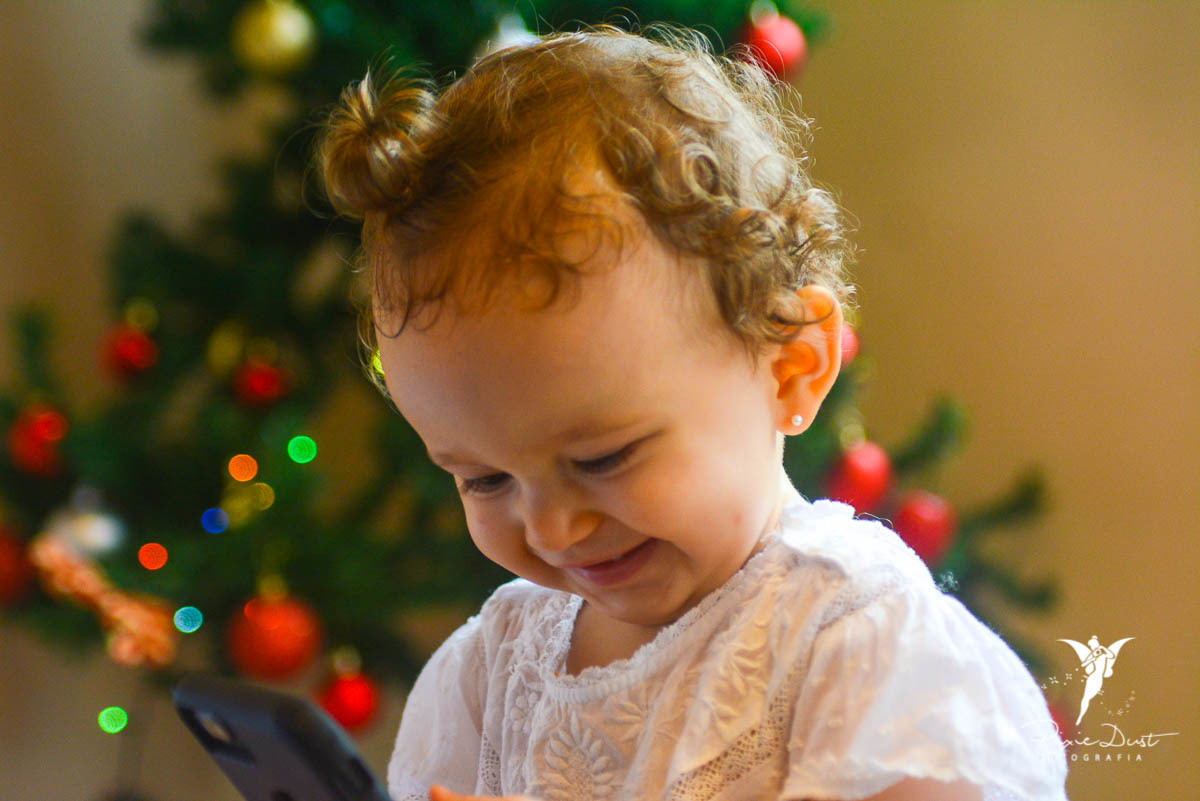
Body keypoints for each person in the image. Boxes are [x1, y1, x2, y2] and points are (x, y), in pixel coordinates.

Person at [318, 22, 1069, 801]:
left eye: (601, 458)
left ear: (792, 365)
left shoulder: (857, 641)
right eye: (482, 479)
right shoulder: (494, 668)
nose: (550, 528)